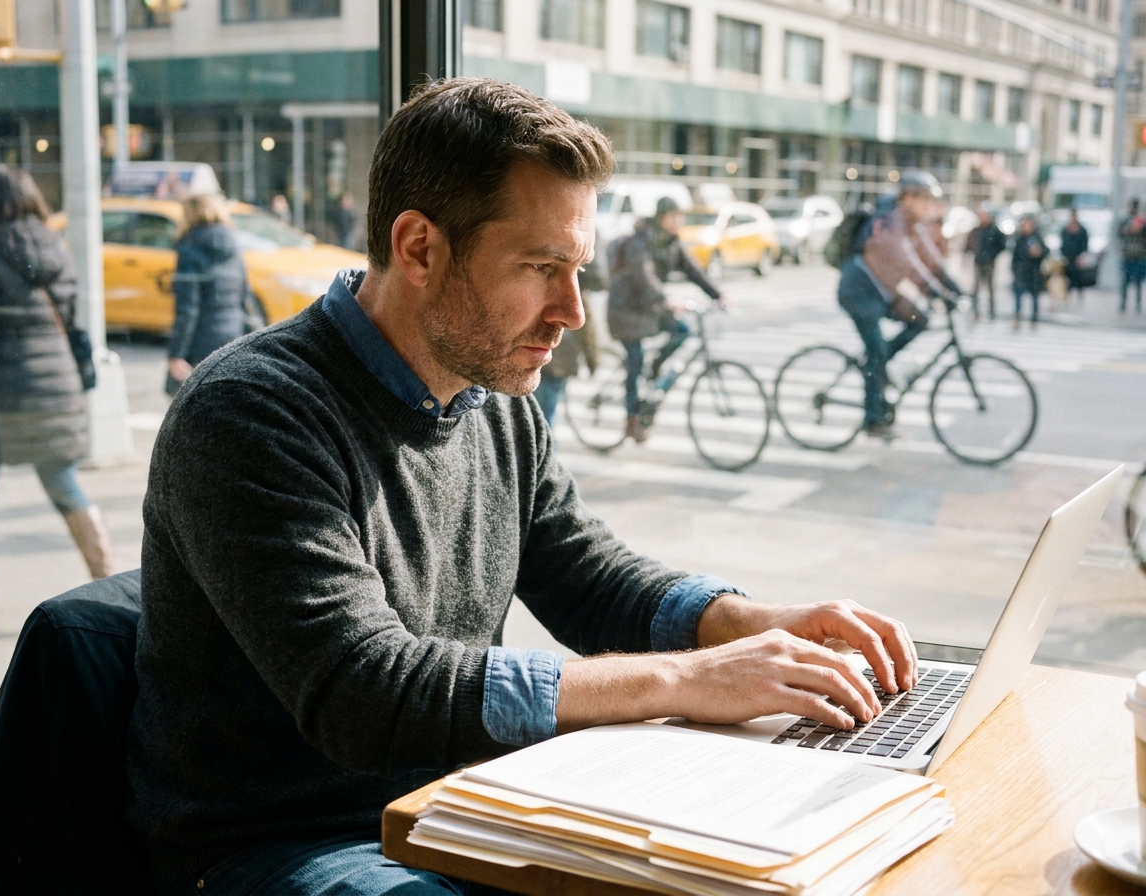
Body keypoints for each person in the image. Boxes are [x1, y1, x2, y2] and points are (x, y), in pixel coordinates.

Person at [128, 78, 918, 895]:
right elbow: (364, 691)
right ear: (419, 248)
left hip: (453, 807)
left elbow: (586, 577)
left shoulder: (494, 401)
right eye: (542, 268)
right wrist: (688, 678)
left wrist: (750, 624)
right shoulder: (251, 411)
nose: (573, 311)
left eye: (577, 269)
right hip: (281, 844)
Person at [0, 166, 113, 615]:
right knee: (63, 482)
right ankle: (109, 582)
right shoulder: (54, 244)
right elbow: (71, 315)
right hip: (56, 386)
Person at [837, 171, 954, 440]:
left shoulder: (914, 225)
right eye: (924, 200)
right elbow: (909, 264)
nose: (929, 206)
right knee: (876, 351)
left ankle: (878, 368)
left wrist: (956, 291)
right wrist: (936, 293)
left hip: (883, 293)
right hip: (859, 292)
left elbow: (932, 262)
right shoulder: (889, 221)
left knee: (921, 320)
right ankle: (873, 420)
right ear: (908, 198)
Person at [607, 196, 721, 443]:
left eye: (681, 217)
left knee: (683, 330)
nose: (679, 221)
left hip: (650, 309)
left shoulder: (672, 242)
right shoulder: (641, 240)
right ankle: (631, 419)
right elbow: (643, 274)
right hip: (626, 311)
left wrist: (718, 295)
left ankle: (656, 365)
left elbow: (693, 270)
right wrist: (665, 298)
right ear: (662, 217)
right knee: (635, 361)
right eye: (675, 216)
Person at [166, 194, 248, 394]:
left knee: (191, 401)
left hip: (200, 341)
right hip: (233, 333)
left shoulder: (190, 248)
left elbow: (188, 308)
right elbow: (244, 295)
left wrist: (176, 353)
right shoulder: (233, 244)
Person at [532, 262, 601, 428]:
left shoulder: (549, 289)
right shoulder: (577, 296)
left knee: (541, 416)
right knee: (546, 415)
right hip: (558, 363)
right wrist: (592, 361)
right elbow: (587, 334)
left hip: (548, 363)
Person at [964, 203, 1005, 320]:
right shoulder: (976, 230)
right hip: (978, 261)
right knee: (976, 288)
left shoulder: (994, 231)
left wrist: (992, 255)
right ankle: (976, 312)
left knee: (990, 288)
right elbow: (969, 243)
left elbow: (1001, 245)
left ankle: (991, 312)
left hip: (989, 262)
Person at [1010, 215, 1046, 329]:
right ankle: (1017, 318)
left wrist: (1039, 252)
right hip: (1021, 272)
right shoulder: (1019, 239)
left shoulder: (1037, 238)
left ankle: (1034, 319)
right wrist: (1014, 270)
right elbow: (1015, 256)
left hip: (1034, 273)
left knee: (1034, 298)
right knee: (1018, 297)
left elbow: (1045, 252)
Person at [1119, 198, 1146, 313]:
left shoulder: (1143, 221)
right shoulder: (1125, 221)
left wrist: (1140, 231)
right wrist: (1129, 230)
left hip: (1140, 255)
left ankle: (1138, 304)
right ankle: (1123, 303)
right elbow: (1120, 234)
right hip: (1127, 255)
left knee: (1138, 281)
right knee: (1125, 281)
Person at [1059, 209, 1089, 304]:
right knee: (1068, 277)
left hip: (1078, 257)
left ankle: (1080, 295)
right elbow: (1063, 244)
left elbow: (1085, 244)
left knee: (1079, 277)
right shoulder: (1065, 229)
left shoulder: (1082, 230)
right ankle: (1067, 295)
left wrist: (1082, 255)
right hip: (1068, 257)